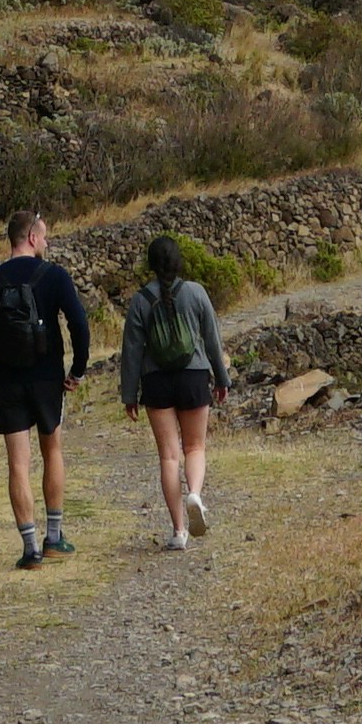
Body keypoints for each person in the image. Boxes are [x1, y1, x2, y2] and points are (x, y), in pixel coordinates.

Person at [0, 208, 96, 566]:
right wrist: (78, 370)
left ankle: (29, 548)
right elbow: (79, 325)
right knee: (52, 450)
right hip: (47, 377)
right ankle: (54, 537)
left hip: (7, 380)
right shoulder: (54, 276)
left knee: (17, 463)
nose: (48, 242)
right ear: (32, 238)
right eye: (45, 236)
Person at [121, 233, 228, 549]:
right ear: (179, 262)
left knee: (169, 456)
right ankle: (195, 494)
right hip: (193, 377)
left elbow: (131, 351)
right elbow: (212, 340)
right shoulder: (196, 293)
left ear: (151, 265)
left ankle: (179, 531)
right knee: (195, 447)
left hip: (156, 383)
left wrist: (130, 395)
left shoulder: (140, 300)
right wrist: (221, 379)